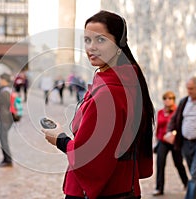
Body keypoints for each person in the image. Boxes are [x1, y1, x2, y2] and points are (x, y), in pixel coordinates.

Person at [41, 10, 155, 199]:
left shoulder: (109, 92)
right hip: (125, 187)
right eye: (87, 40)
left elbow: (90, 158)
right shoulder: (130, 82)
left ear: (119, 43)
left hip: (102, 192)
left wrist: (59, 138)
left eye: (100, 40)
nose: (91, 47)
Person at [167, 76, 196, 199]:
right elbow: (174, 119)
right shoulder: (184, 101)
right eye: (187, 88)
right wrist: (170, 131)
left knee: (194, 174)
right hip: (186, 144)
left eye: (191, 88)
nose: (189, 91)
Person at [153, 91, 188, 196]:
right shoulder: (160, 112)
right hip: (162, 141)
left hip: (174, 141)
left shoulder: (178, 111)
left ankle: (186, 183)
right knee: (160, 163)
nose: (167, 100)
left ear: (174, 100)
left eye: (170, 98)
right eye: (165, 98)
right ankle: (159, 188)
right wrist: (156, 140)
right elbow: (158, 127)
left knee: (178, 163)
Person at [0, 73, 14, 167]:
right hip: (8, 117)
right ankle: (6, 158)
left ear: (4, 81)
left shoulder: (4, 92)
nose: (0, 82)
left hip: (5, 117)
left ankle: (8, 159)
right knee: (3, 138)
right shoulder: (9, 90)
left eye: (1, 80)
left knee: (3, 138)